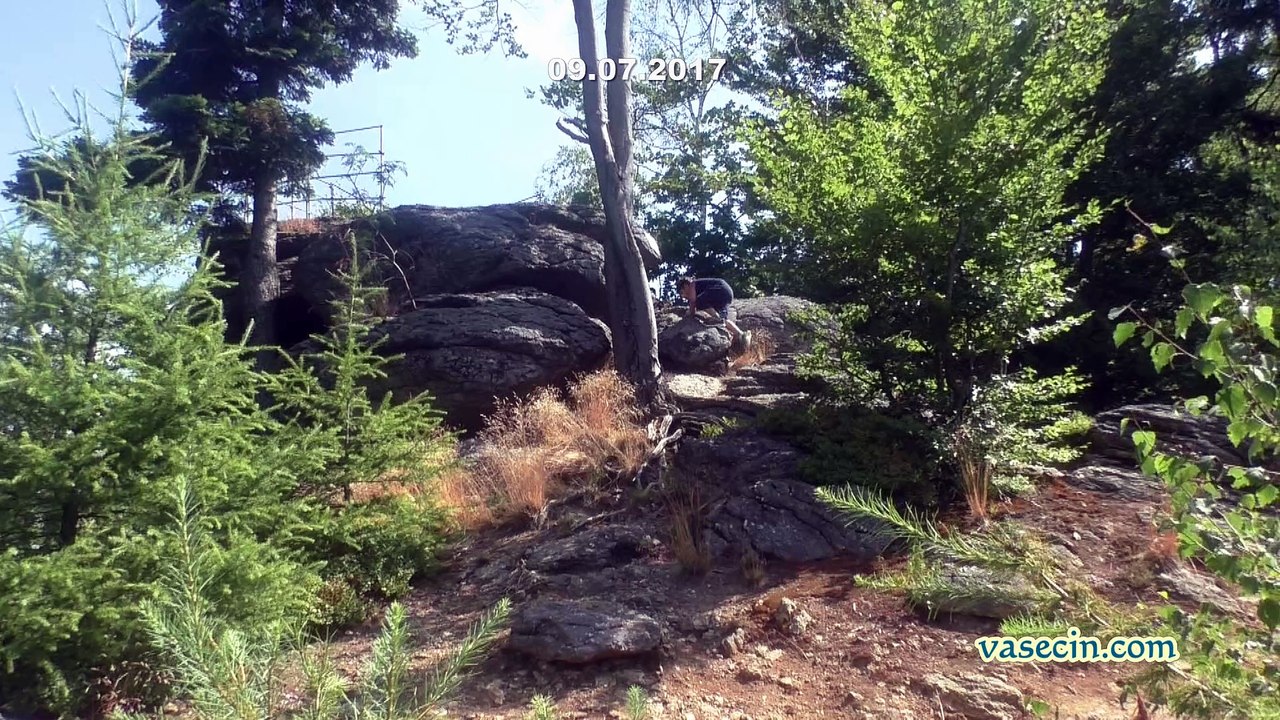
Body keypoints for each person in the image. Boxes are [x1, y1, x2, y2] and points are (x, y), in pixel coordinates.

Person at [678, 276, 752, 352]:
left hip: (720, 289)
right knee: (724, 320)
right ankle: (741, 334)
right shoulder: (701, 288)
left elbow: (693, 302)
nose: (684, 296)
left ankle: (717, 318)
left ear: (686, 285)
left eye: (682, 292)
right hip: (726, 293)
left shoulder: (692, 284)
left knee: (699, 302)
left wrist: (689, 315)